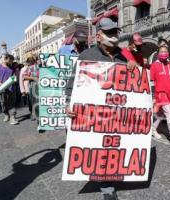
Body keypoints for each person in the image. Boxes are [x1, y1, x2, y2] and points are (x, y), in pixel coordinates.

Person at [65, 17, 127, 200]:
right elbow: (72, 83)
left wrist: (133, 69)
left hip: (117, 113)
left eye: (115, 32)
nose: (113, 35)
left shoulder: (123, 57)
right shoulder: (87, 56)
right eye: (109, 32)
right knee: (98, 148)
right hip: (94, 115)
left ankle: (114, 173)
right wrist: (69, 103)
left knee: (113, 147)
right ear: (99, 36)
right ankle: (107, 187)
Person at [0, 54, 19, 125]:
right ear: (6, 59)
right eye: (10, 60)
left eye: (12, 61)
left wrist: (16, 73)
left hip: (11, 88)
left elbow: (15, 77)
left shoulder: (12, 67)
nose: (11, 62)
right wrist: (1, 84)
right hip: (1, 89)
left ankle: (13, 117)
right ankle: (6, 114)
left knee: (12, 103)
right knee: (3, 103)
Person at [24, 55, 39, 121]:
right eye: (29, 61)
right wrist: (33, 78)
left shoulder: (39, 67)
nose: (30, 62)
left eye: (31, 60)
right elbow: (24, 77)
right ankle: (34, 114)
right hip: (33, 85)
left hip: (40, 85)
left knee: (39, 100)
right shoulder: (29, 68)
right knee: (33, 101)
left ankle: (38, 114)